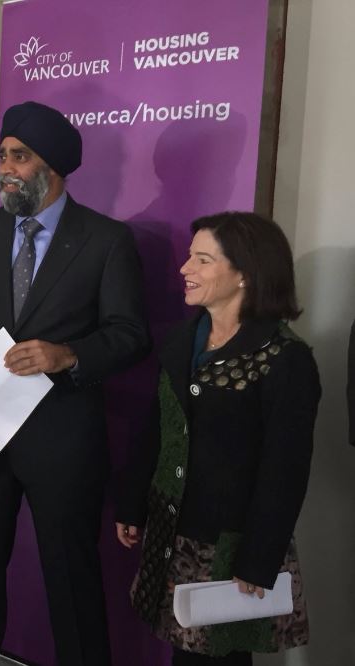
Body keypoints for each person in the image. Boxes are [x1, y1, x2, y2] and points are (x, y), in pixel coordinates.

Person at [0, 100, 150, 666]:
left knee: (72, 581)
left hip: (64, 445)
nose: (6, 167)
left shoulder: (106, 240)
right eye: (3, 155)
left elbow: (130, 335)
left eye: (19, 156)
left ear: (51, 168)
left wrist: (67, 354)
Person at [116, 212, 318, 665]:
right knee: (181, 650)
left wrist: (258, 558)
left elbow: (285, 469)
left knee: (220, 655)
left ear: (245, 273)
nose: (185, 269)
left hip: (232, 543)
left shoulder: (286, 360)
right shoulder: (183, 341)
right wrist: (131, 501)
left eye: (202, 260)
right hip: (173, 529)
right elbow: (156, 427)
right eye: (190, 257)